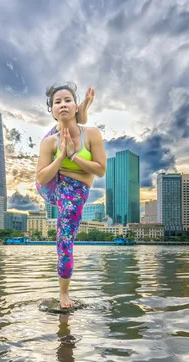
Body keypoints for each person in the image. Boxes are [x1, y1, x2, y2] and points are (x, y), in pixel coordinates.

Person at [35, 83, 107, 308]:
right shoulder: (49, 141)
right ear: (51, 110)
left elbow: (100, 170)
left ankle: (64, 292)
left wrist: (73, 156)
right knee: (61, 131)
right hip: (54, 186)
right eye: (57, 102)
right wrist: (60, 160)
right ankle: (63, 293)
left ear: (73, 104)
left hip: (74, 191)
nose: (62, 104)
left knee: (66, 240)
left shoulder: (92, 134)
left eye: (68, 100)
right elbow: (41, 179)